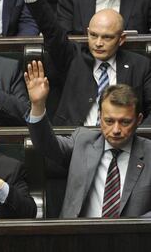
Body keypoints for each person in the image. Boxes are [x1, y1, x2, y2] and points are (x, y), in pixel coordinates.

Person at [25, 60, 151, 218]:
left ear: (139, 120)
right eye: (109, 121)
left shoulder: (149, 153)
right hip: (79, 237)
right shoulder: (82, 141)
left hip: (133, 240)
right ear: (99, 117)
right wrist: (38, 105)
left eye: (125, 122)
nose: (116, 130)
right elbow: (45, 145)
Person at [23, 0, 151, 126]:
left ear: (121, 39)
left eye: (107, 37)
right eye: (94, 35)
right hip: (75, 141)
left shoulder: (140, 66)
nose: (98, 43)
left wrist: (135, 138)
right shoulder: (74, 58)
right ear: (88, 33)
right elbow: (51, 30)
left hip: (123, 140)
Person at [57, 0, 151, 35]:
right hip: (84, 67)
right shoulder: (71, 0)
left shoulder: (144, 1)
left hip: (133, 69)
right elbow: (62, 41)